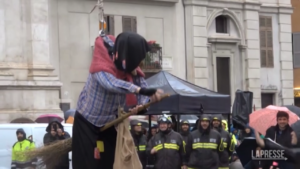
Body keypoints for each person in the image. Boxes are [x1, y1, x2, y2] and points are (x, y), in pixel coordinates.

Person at [72, 32, 164, 169]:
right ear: (130, 55)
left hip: (110, 123)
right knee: (86, 165)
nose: (140, 64)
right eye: (139, 59)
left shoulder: (128, 65)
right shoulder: (101, 62)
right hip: (87, 122)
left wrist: (146, 102)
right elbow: (111, 84)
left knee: (113, 162)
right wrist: (140, 90)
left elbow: (143, 88)